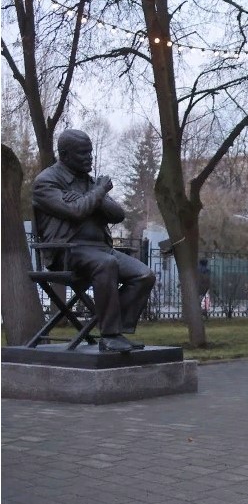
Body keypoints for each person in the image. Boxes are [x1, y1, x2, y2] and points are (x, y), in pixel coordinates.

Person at [32, 129, 155, 353]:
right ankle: (109, 336)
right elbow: (77, 212)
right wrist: (96, 193)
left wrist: (91, 197)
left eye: (90, 152)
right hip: (67, 252)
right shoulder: (46, 182)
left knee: (144, 275)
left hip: (101, 249)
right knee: (106, 264)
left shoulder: (88, 182)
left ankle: (118, 329)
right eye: (83, 153)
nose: (90, 157)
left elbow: (117, 215)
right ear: (65, 155)